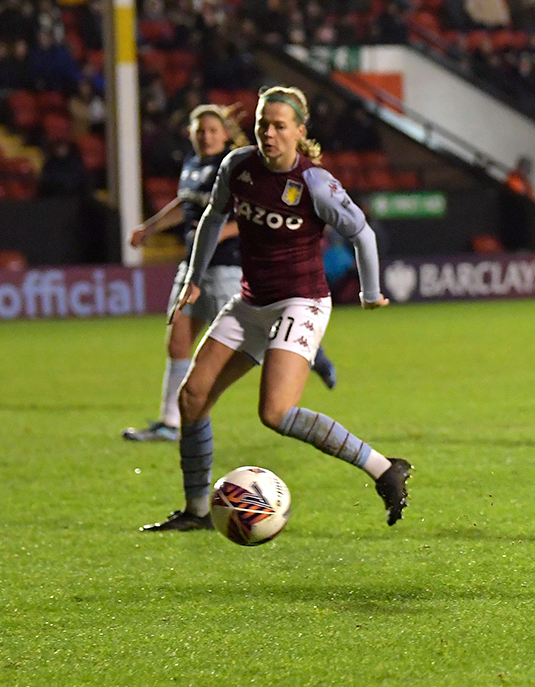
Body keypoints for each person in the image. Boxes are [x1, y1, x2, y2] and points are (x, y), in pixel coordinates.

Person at [141, 86, 410, 532]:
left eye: (279, 126)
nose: (268, 133)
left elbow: (363, 234)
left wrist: (369, 291)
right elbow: (211, 217)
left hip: (301, 302)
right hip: (251, 301)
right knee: (192, 398)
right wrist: (193, 277)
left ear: (299, 132)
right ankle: (196, 511)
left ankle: (384, 468)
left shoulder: (315, 183)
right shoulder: (237, 165)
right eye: (263, 124)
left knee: (276, 413)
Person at [123, 104, 339, 444]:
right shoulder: (192, 166)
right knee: (178, 341)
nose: (206, 137)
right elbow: (186, 205)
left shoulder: (241, 167)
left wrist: (221, 231)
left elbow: (258, 213)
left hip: (229, 266)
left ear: (225, 134)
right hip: (194, 266)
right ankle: (169, 422)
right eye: (200, 130)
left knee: (258, 336)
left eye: (212, 130)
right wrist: (149, 229)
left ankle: (315, 354)